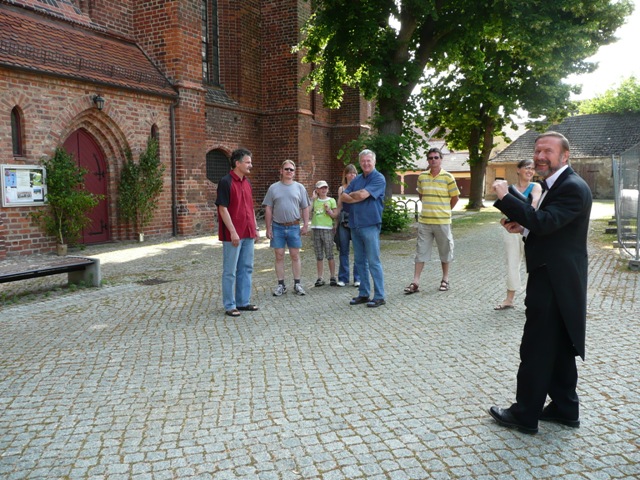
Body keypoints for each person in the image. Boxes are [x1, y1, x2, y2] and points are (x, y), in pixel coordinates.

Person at [488, 131, 592, 434]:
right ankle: (564, 408)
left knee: (535, 347)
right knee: (558, 346)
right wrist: (522, 227)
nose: (540, 156)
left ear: (565, 155)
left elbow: (545, 222)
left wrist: (506, 197)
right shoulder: (557, 185)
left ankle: (524, 414)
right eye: (537, 151)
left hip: (553, 281)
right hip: (556, 277)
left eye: (547, 151)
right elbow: (545, 224)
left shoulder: (572, 187)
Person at [403, 148, 460, 295]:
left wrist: (445, 211)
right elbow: (421, 196)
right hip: (425, 222)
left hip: (442, 221)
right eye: (430, 158)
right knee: (420, 251)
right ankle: (415, 282)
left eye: (436, 157)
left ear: (441, 159)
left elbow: (455, 198)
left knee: (445, 250)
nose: (433, 160)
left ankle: (445, 279)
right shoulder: (422, 177)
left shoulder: (448, 177)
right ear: (427, 160)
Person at [215, 148, 259, 317]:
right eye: (247, 162)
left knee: (246, 268)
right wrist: (233, 232)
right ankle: (230, 305)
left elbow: (250, 208)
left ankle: (243, 302)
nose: (250, 165)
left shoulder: (247, 183)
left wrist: (255, 228)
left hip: (248, 232)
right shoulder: (225, 182)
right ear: (237, 163)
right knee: (230, 270)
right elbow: (223, 208)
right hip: (233, 234)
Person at [494, 159, 542, 310]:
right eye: (527, 168)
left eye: (532, 169)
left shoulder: (536, 187)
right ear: (518, 170)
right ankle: (509, 299)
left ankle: (534, 300)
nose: (530, 171)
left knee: (533, 265)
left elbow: (533, 206)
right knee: (511, 263)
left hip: (529, 229)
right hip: (512, 229)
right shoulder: (508, 188)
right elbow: (504, 209)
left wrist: (511, 204)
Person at [340, 149, 386, 308]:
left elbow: (360, 195)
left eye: (369, 161)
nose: (366, 163)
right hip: (355, 225)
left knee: (373, 261)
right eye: (363, 161)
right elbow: (343, 196)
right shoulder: (357, 179)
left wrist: (355, 196)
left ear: (374, 162)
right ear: (360, 163)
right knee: (360, 262)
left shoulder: (379, 178)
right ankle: (364, 293)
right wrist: (357, 196)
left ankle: (379, 296)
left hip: (370, 224)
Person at [263, 160, 310, 296]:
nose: (289, 171)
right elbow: (269, 208)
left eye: (291, 170)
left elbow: (305, 206)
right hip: (277, 226)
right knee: (279, 255)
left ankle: (297, 283)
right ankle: (281, 285)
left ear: (294, 172)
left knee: (295, 255)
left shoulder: (299, 187)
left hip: (294, 226)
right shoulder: (273, 188)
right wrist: (268, 228)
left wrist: (306, 224)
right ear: (281, 171)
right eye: (287, 169)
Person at [336, 164, 361, 287]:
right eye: (350, 173)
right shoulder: (341, 189)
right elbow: (339, 206)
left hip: (356, 220)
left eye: (354, 173)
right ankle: (343, 278)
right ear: (345, 175)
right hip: (343, 221)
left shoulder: (360, 187)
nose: (352, 175)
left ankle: (358, 277)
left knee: (358, 250)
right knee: (343, 250)